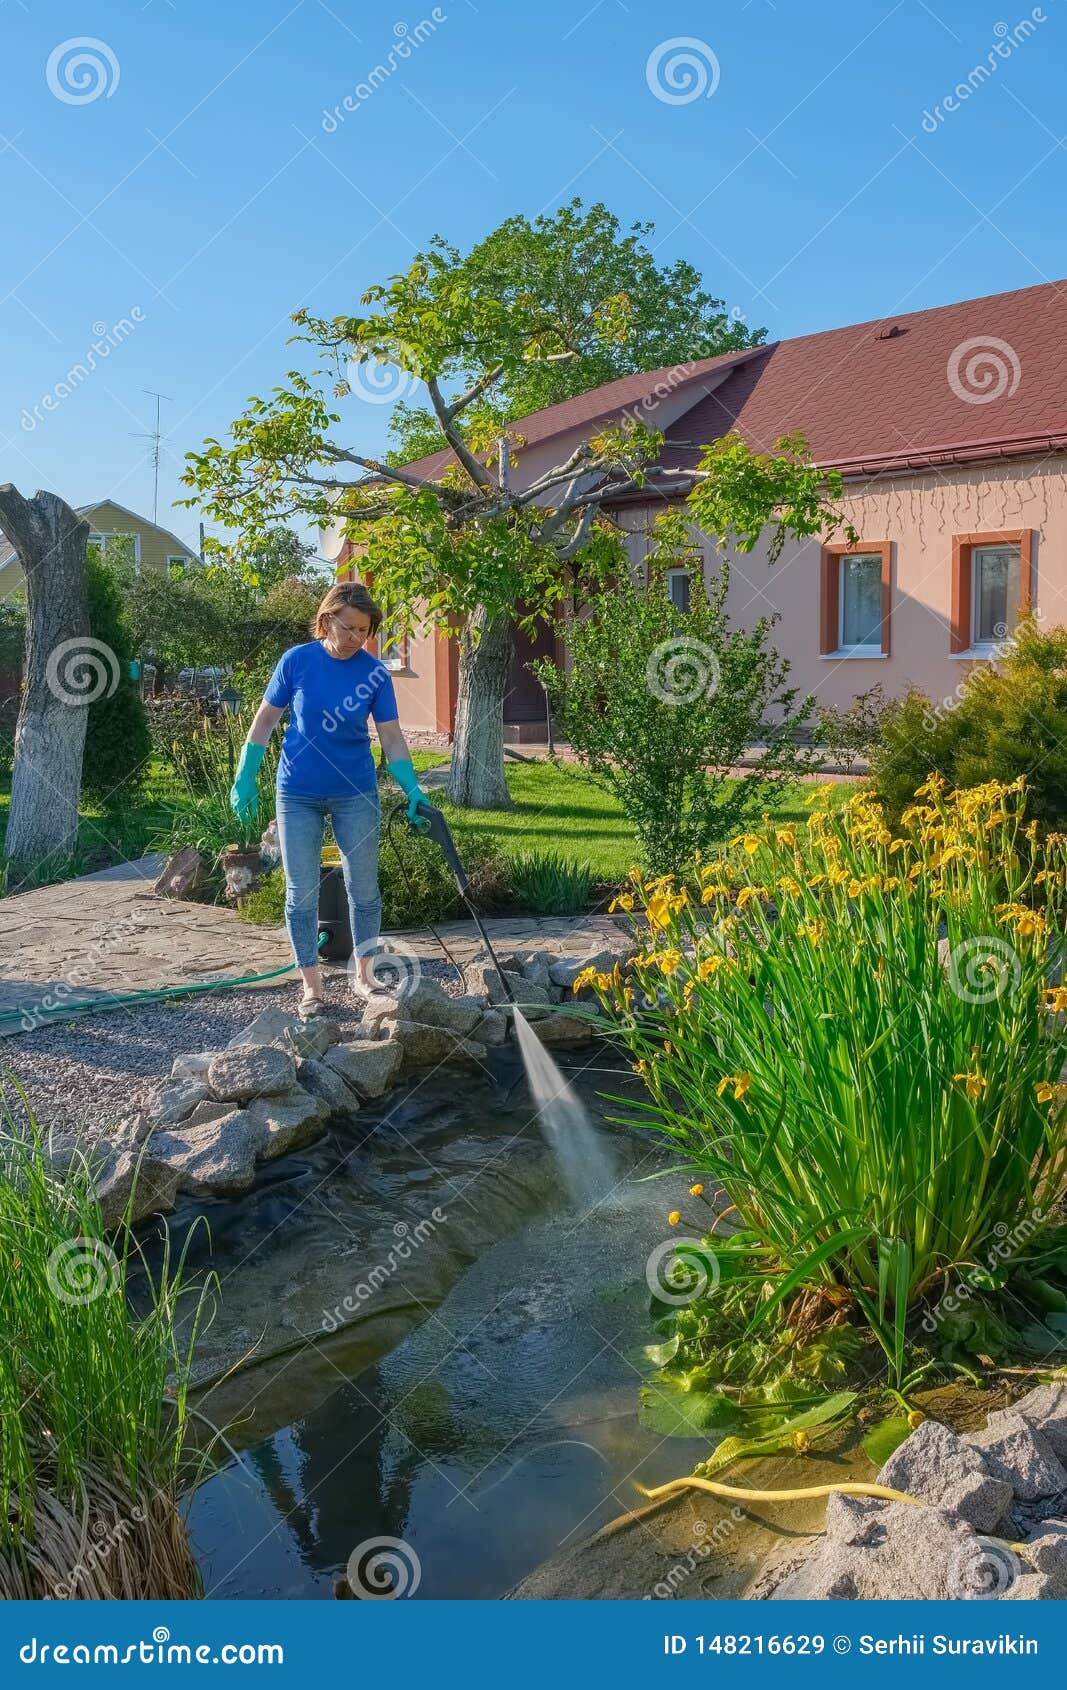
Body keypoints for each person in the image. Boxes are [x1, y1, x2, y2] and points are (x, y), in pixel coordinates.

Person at [230, 581, 428, 1019]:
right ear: (326, 620)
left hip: (355, 792)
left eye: (366, 630)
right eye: (350, 628)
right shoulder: (297, 661)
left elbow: (392, 738)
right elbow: (265, 721)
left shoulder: (373, 672)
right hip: (297, 790)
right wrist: (245, 775)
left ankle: (364, 975)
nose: (358, 638)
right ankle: (312, 987)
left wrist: (413, 787)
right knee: (300, 892)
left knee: (364, 888)